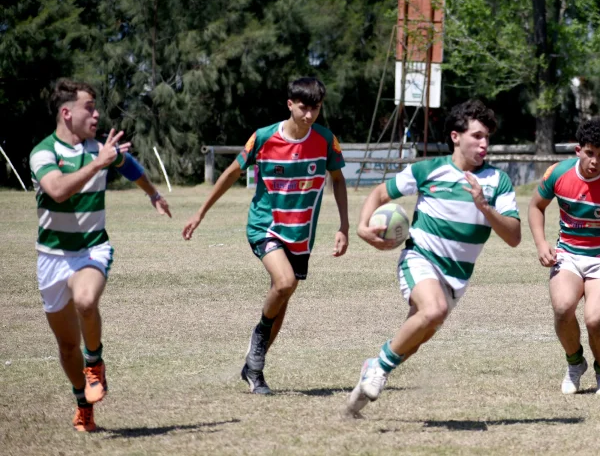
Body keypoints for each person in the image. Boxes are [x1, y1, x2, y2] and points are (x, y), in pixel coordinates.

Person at [346, 100, 521, 417]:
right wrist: (361, 225)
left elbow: (513, 237)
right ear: (456, 136)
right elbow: (380, 194)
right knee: (433, 309)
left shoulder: (498, 181)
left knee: (412, 342)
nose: (484, 144)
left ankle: (364, 387)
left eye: (487, 138)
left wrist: (485, 207)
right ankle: (377, 366)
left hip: (457, 277)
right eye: (477, 136)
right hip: (420, 258)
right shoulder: (428, 169)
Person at [182, 78, 348, 394]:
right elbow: (231, 173)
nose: (309, 115)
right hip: (265, 226)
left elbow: (338, 180)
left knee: (282, 297)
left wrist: (344, 226)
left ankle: (254, 369)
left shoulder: (327, 140)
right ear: (290, 104)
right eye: (303, 108)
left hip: (301, 234)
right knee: (284, 283)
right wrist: (200, 212)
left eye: (315, 108)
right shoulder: (263, 138)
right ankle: (258, 339)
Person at [29, 79, 172, 432]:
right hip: (52, 256)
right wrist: (99, 163)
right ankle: (84, 405)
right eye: (89, 107)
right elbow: (58, 190)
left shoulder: (102, 148)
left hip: (92, 248)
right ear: (67, 112)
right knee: (65, 346)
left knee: (86, 300)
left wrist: (152, 193)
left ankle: (95, 362)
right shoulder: (43, 152)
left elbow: (129, 165)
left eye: (95, 107)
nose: (96, 114)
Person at [528, 118, 600, 395]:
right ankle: (575, 363)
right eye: (590, 152)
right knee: (563, 308)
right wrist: (541, 243)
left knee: (594, 319)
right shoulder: (557, 174)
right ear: (578, 149)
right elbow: (536, 206)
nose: (595, 160)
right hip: (567, 255)